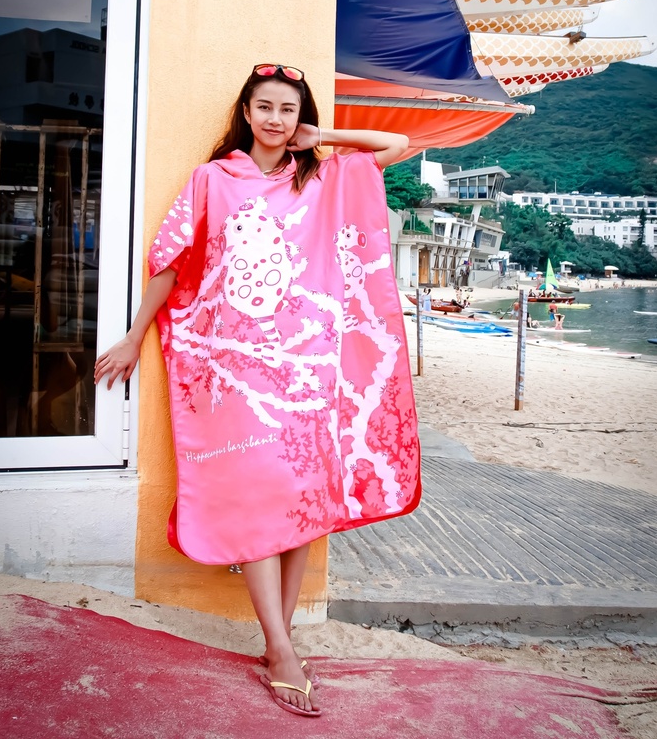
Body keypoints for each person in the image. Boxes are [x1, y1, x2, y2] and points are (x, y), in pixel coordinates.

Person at [93, 64, 421, 718]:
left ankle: (281, 638)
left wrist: (319, 135)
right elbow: (170, 259)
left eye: (287, 109)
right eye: (264, 106)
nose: (274, 118)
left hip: (308, 369)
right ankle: (278, 647)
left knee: (304, 502)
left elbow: (395, 149)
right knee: (272, 495)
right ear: (245, 111)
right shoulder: (214, 181)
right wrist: (134, 336)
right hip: (238, 374)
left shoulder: (323, 177)